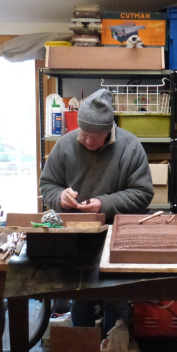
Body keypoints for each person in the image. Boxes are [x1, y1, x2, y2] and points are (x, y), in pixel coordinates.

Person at [39, 88, 153, 332]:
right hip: (77, 236)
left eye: (96, 136)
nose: (89, 141)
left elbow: (143, 193)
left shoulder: (130, 147)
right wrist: (60, 197)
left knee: (117, 298)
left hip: (117, 236)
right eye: (84, 134)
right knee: (80, 297)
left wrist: (104, 204)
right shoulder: (65, 145)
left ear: (109, 130)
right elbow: (47, 185)